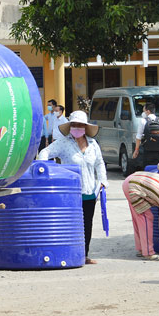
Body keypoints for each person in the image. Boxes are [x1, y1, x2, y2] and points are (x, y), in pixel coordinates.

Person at [38, 110, 108, 265]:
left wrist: (102, 181)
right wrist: (44, 171)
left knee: (87, 224)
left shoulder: (92, 144)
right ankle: (70, 254)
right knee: (71, 225)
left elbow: (99, 163)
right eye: (74, 125)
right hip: (70, 193)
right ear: (70, 127)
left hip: (90, 191)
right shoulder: (64, 143)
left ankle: (84, 254)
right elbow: (45, 152)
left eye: (80, 125)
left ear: (85, 127)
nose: (77, 127)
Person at [132, 103, 159, 168]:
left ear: (148, 111)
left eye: (144, 111)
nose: (143, 113)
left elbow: (138, 137)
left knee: (147, 170)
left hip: (147, 151)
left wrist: (136, 150)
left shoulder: (143, 121)